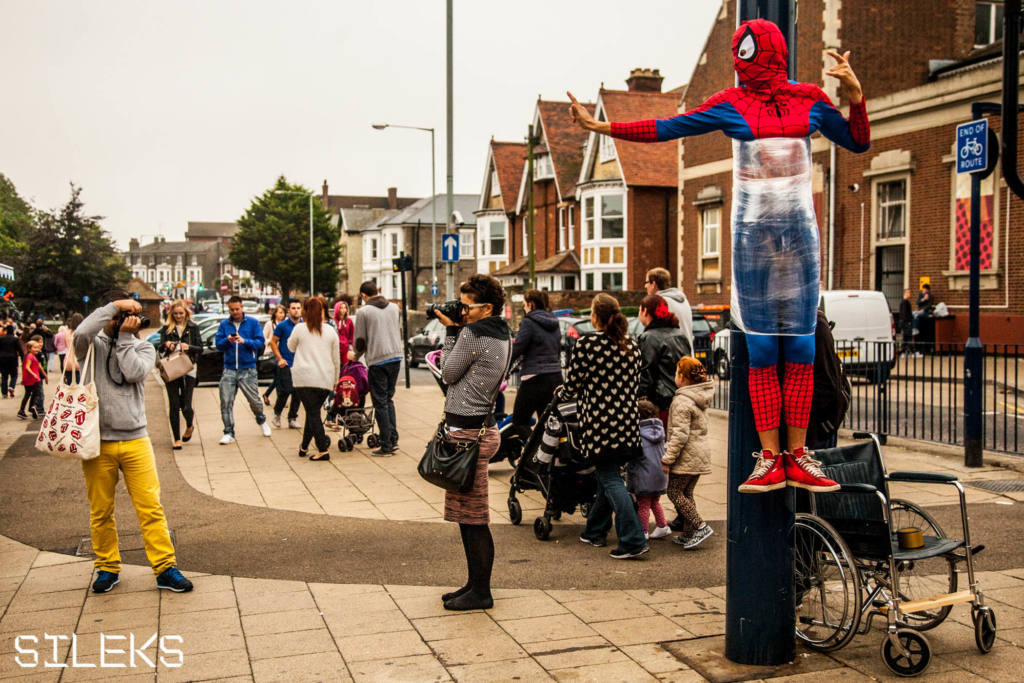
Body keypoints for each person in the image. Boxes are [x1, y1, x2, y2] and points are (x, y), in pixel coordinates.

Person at [569, 18, 868, 494]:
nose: (743, 60)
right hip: (755, 240)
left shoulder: (807, 98)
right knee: (767, 351)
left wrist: (855, 97)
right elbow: (666, 128)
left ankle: (796, 455)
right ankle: (773, 457)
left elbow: (857, 140)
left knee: (802, 349)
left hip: (795, 240)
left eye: (747, 51)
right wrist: (603, 127)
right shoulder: (736, 103)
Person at [72, 291, 193, 593]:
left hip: (136, 439)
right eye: (119, 316)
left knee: (151, 508)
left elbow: (132, 372)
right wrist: (114, 306)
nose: (124, 321)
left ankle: (165, 567)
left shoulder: (143, 347)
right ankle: (106, 567)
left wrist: (125, 338)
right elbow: (80, 334)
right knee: (101, 510)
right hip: (97, 442)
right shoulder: (93, 346)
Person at [433, 274, 512, 610]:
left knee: (474, 518)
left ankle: (481, 592)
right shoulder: (502, 332)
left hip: (468, 434)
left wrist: (451, 331)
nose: (462, 312)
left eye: (468, 307)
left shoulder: (472, 333)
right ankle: (473, 584)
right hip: (481, 428)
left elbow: (448, 372)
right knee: (468, 516)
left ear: (488, 308)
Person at [562, 293, 647, 559]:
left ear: (596, 317)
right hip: (628, 423)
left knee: (610, 478)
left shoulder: (588, 344)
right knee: (607, 475)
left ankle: (633, 539)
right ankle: (595, 530)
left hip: (600, 425)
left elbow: (573, 384)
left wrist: (562, 393)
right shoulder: (631, 345)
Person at [662, 356, 715, 549]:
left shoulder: (682, 400)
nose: (675, 376)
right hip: (699, 454)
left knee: (674, 492)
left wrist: (668, 458)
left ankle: (700, 526)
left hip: (687, 456)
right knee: (687, 493)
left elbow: (680, 434)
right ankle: (688, 533)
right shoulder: (699, 395)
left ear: (683, 377)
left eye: (677, 373)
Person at [353, 281, 403, 456]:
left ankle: (386, 445)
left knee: (380, 402)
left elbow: (360, 340)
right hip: (396, 357)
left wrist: (355, 357)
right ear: (377, 291)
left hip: (378, 359)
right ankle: (394, 439)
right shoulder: (394, 308)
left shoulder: (364, 312)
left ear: (364, 296)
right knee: (389, 399)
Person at [287, 297, 340, 461]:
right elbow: (336, 359)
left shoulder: (300, 329)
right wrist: (336, 381)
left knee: (313, 413)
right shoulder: (331, 331)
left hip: (304, 378)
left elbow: (290, 347)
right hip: (325, 379)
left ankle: (323, 449)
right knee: (313, 412)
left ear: (305, 312)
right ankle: (304, 447)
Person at [509, 289, 562, 448]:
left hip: (534, 379)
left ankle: (535, 453)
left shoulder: (529, 321)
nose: (524, 308)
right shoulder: (554, 321)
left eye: (525, 305)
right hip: (555, 377)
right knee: (546, 424)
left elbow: (518, 348)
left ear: (531, 304)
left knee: (519, 421)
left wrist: (504, 363)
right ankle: (548, 461)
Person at [215, 296, 271, 445]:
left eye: (237, 309)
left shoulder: (252, 323)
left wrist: (244, 341)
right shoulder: (224, 324)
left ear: (242, 308)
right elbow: (218, 345)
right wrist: (227, 340)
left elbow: (260, 343)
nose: (235, 312)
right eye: (232, 310)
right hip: (229, 368)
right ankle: (228, 432)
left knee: (254, 401)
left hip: (248, 368)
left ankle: (261, 419)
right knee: (225, 401)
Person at [638, 294, 690, 427]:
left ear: (645, 311)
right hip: (681, 400)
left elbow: (646, 374)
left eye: (640, 310)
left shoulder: (649, 338)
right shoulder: (679, 334)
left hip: (661, 405)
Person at [158, 301, 202, 450]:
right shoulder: (166, 328)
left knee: (186, 405)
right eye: (175, 314)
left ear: (186, 313)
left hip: (188, 368)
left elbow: (200, 348)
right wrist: (166, 345)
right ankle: (176, 439)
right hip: (172, 369)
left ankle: (189, 425)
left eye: (181, 313)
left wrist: (189, 347)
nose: (178, 316)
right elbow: (159, 347)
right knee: (174, 404)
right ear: (171, 314)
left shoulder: (193, 328)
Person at [630, 400, 671, 541]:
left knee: (643, 505)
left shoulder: (638, 433)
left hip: (645, 474)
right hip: (659, 473)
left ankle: (643, 531)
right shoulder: (659, 429)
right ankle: (662, 525)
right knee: (655, 502)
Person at [644, 267, 693, 354]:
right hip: (687, 354)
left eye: (647, 282)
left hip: (670, 357)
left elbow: (655, 332)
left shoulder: (660, 302)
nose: (645, 286)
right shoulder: (684, 300)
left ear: (653, 284)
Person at [270, 299, 302, 429]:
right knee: (286, 390)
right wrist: (279, 358)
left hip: (300, 363)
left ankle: (292, 418)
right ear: (289, 311)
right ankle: (277, 413)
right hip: (286, 363)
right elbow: (273, 342)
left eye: (298, 308)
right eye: (293, 308)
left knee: (298, 392)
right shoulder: (282, 326)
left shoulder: (304, 326)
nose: (296, 310)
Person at [262, 304, 287, 406]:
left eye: (283, 313)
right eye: (280, 312)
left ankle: (267, 394)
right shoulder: (270, 324)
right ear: (275, 313)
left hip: (281, 353)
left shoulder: (285, 324)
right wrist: (272, 341)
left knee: (279, 377)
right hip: (271, 353)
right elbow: (263, 339)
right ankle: (280, 400)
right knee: (279, 377)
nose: (282, 315)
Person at [17, 340, 44, 419]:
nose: (37, 349)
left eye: (37, 348)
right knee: (38, 393)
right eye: (34, 348)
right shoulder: (30, 356)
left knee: (28, 394)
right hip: (34, 378)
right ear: (29, 349)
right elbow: (27, 367)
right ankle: (34, 406)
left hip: (29, 378)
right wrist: (34, 374)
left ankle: (22, 410)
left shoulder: (29, 356)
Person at [0, 324, 23, 398]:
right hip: (13, 358)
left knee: (4, 376)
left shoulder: (1, 338)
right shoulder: (15, 339)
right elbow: (20, 350)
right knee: (14, 375)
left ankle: (4, 393)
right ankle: (11, 386)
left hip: (2, 359)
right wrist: (23, 359)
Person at [61, 313, 84, 384]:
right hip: (78, 362)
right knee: (79, 387)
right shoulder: (81, 333)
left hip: (67, 361)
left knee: (70, 386)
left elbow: (66, 346)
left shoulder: (66, 333)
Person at [333, 295, 356, 362]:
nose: (343, 310)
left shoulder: (349, 321)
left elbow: (352, 335)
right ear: (337, 309)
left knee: (346, 369)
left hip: (346, 349)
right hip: (336, 348)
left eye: (345, 308)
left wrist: (352, 348)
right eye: (341, 308)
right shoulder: (333, 321)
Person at [898, 288, 914, 355]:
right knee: (908, 336)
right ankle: (910, 350)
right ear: (906, 293)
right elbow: (905, 313)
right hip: (906, 322)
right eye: (909, 293)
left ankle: (904, 350)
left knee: (906, 337)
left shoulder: (903, 302)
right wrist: (908, 321)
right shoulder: (905, 302)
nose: (910, 294)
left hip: (904, 322)